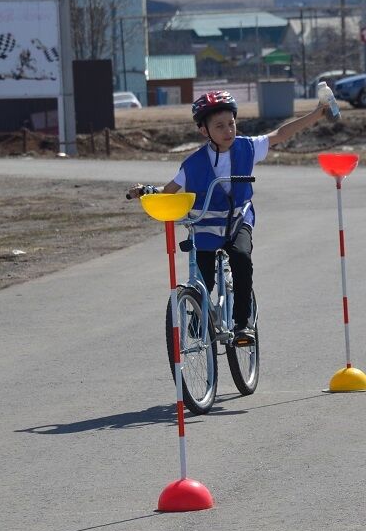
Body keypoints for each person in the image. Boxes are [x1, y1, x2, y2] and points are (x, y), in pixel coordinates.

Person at [127, 90, 332, 346]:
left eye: (231, 123)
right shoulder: (192, 164)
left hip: (237, 222)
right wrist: (146, 191)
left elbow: (281, 134)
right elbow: (168, 191)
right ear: (204, 131)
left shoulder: (247, 147)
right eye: (219, 126)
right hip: (206, 228)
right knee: (204, 278)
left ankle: (242, 324)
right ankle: (199, 313)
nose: (228, 131)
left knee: (241, 259)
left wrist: (316, 114)